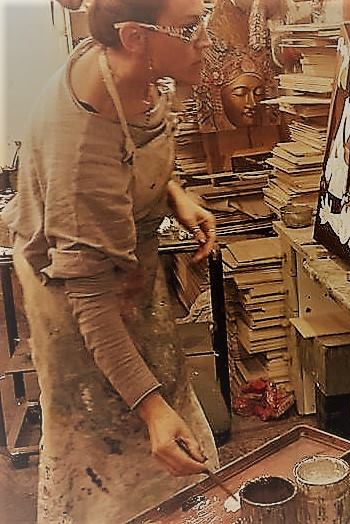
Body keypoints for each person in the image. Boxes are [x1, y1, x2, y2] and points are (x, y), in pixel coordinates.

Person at [1, 0, 221, 522]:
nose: (206, 40)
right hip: (79, 304)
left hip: (127, 277)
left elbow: (134, 150)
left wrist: (173, 194)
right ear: (135, 38)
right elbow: (90, 302)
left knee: (167, 421)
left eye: (205, 17)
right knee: (114, 462)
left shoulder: (129, 72)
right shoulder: (81, 143)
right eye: (190, 27)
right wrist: (151, 410)